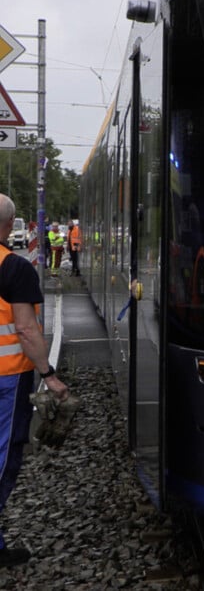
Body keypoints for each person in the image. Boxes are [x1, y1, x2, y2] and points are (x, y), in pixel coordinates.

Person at [0, 194, 68, 567]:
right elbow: (26, 329)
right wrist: (49, 375)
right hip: (7, 381)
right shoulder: (14, 268)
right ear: (10, 226)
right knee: (4, 459)